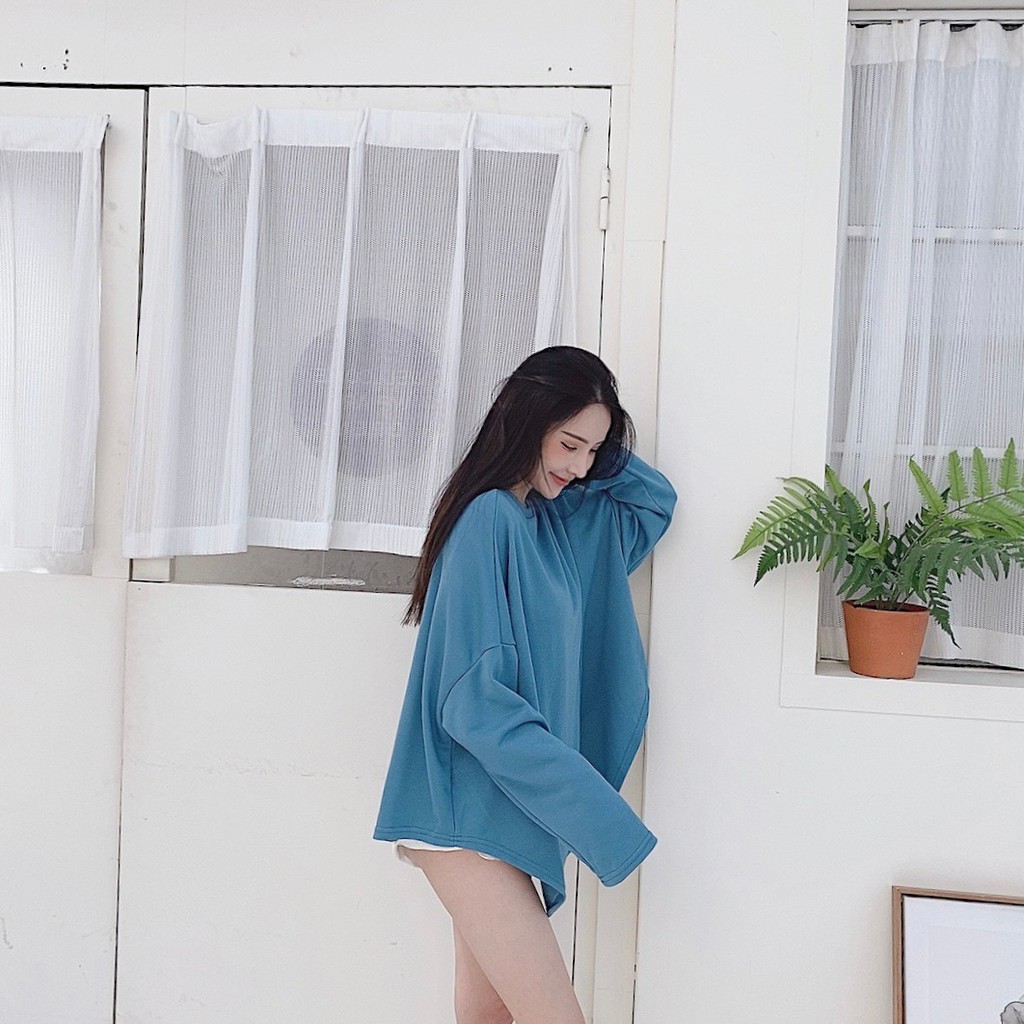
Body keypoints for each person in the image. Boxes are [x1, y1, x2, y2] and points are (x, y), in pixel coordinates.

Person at [373, 346, 676, 1024]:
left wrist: (597, 443)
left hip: (499, 815)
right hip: (466, 813)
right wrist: (593, 811)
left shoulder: (552, 525)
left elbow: (652, 505)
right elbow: (473, 703)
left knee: (489, 1018)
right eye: (569, 444)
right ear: (527, 420)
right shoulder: (489, 520)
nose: (581, 468)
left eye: (594, 452)